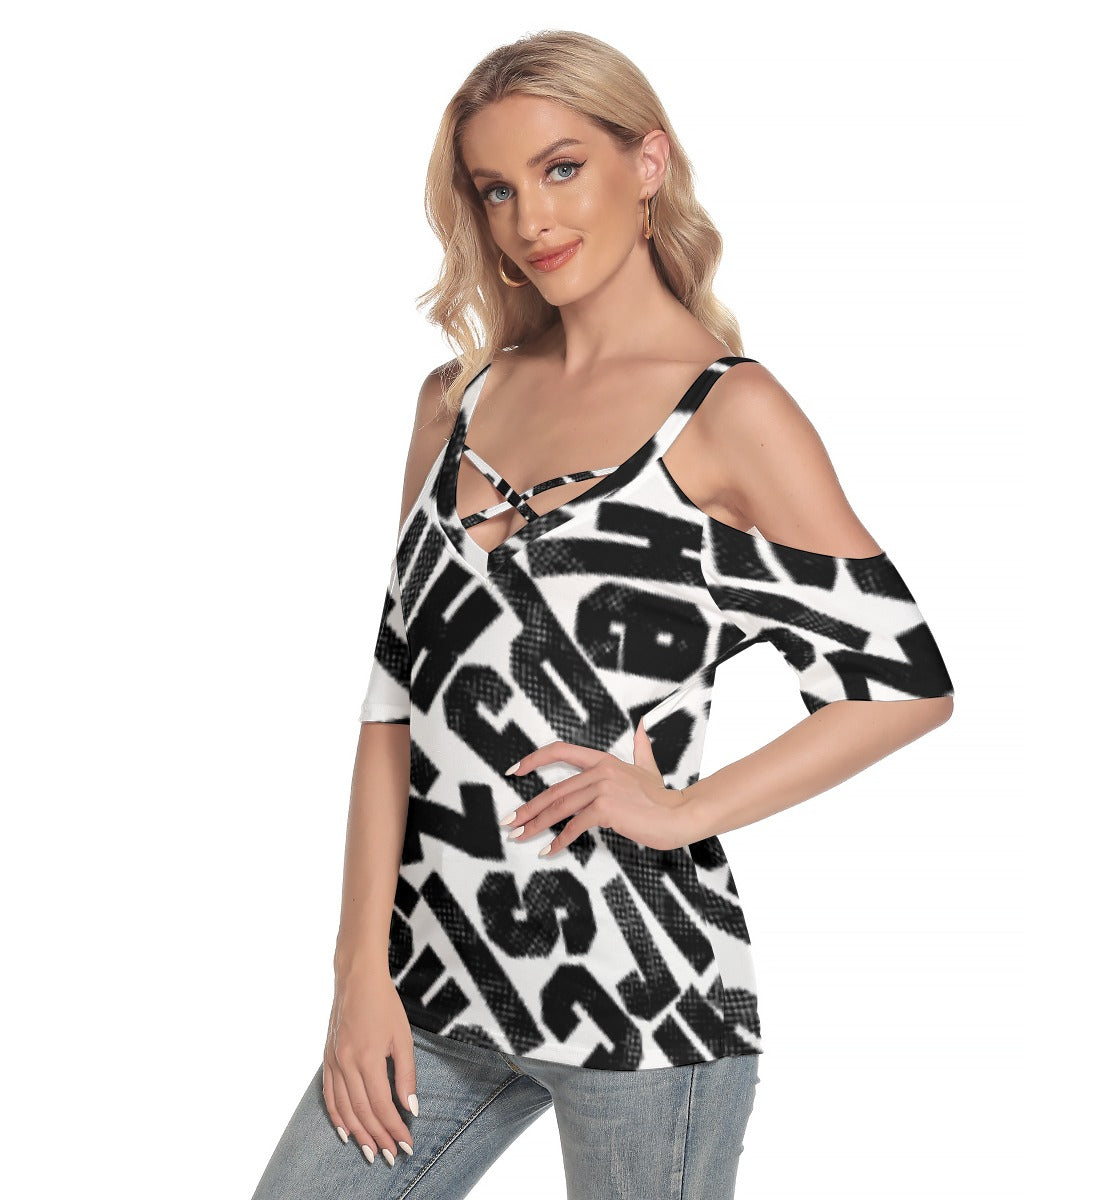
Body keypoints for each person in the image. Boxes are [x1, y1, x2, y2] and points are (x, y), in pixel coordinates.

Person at [250, 28, 955, 1200]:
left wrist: (683, 812)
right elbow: (392, 706)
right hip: (433, 988)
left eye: (563, 168)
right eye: (497, 189)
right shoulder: (455, 400)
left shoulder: (730, 414)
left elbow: (903, 685)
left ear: (649, 164)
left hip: (645, 995)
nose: (531, 219)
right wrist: (357, 974)